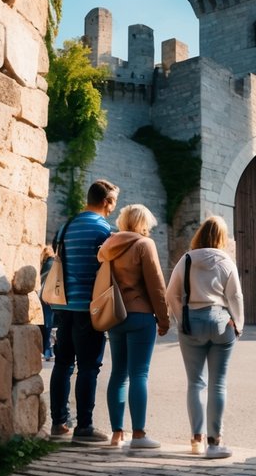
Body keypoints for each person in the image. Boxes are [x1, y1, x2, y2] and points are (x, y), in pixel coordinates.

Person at [167, 216, 244, 459]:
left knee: (195, 382)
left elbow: (172, 294)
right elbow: (236, 296)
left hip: (192, 321)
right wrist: (238, 324)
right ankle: (215, 442)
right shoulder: (226, 261)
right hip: (221, 320)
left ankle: (196, 439)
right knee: (218, 383)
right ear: (222, 238)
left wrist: (181, 318)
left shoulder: (187, 259)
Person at [48, 179, 119, 446]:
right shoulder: (103, 229)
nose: (112, 209)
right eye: (113, 203)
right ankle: (84, 427)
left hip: (63, 305)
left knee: (63, 364)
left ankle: (59, 423)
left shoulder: (66, 226)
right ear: (106, 202)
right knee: (89, 366)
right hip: (89, 308)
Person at [97, 204, 170, 452]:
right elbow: (156, 285)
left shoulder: (109, 246)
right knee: (139, 374)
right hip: (139, 315)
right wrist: (164, 318)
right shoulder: (143, 244)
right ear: (143, 223)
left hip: (115, 314)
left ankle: (117, 433)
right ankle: (138, 434)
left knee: (118, 373)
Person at [38, 245, 56, 361]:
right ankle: (47, 351)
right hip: (50, 297)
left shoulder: (42, 264)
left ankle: (45, 350)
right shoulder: (53, 263)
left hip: (41, 296)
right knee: (48, 325)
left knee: (44, 325)